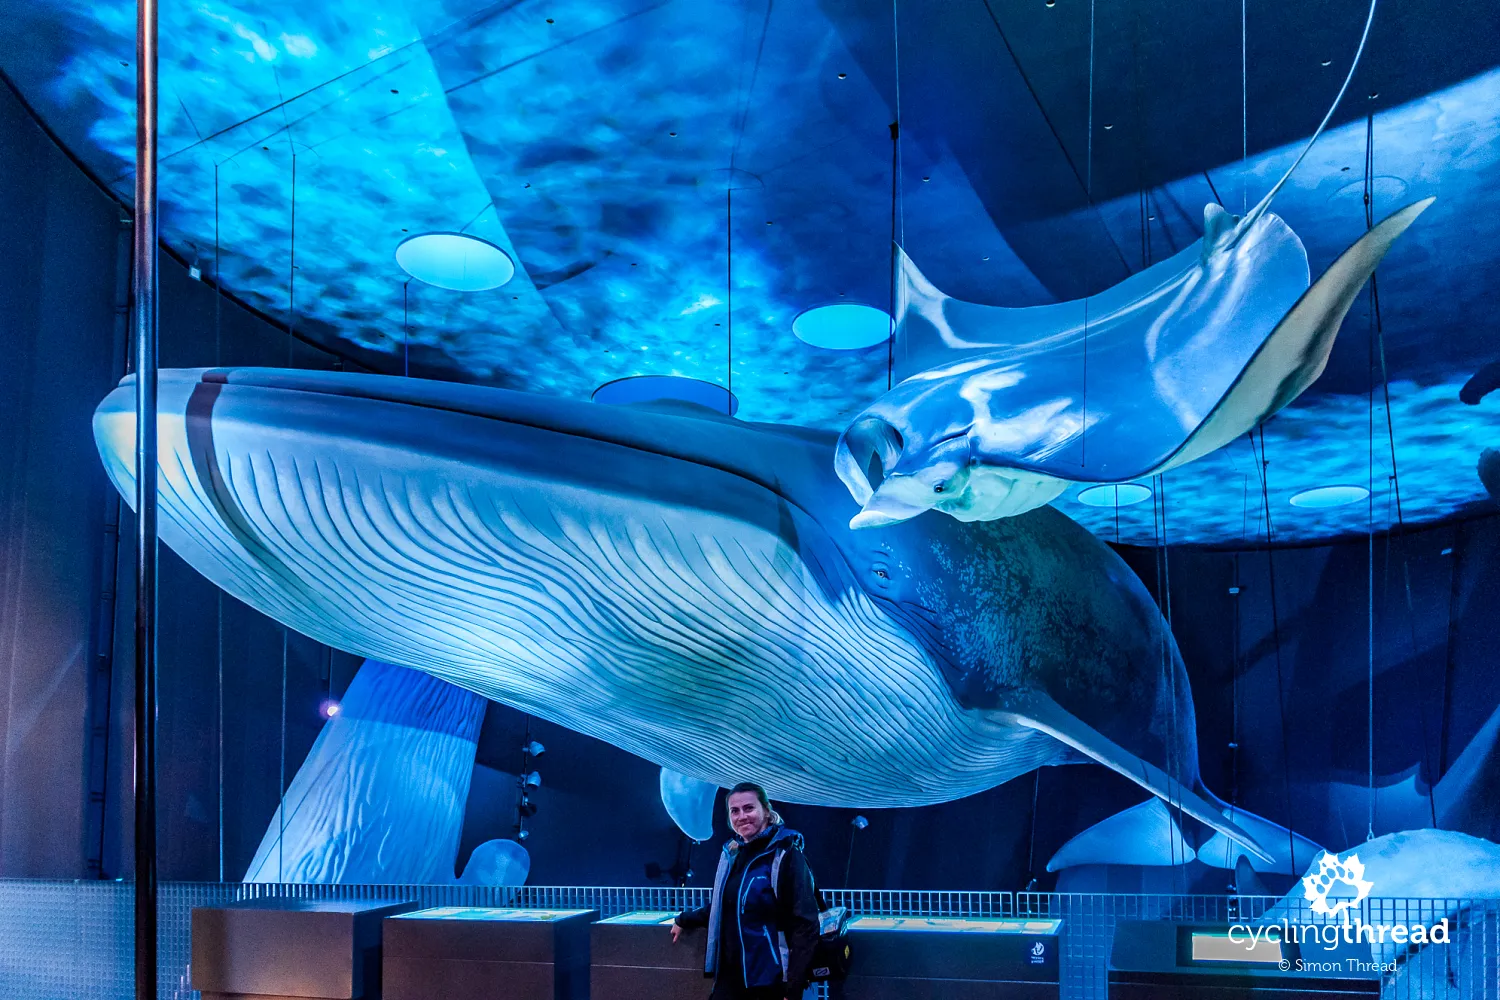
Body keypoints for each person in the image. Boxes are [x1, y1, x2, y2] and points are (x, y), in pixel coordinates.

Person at [671, 782, 821, 1000]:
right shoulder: (733, 853)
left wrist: (793, 986)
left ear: (767, 811)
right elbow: (725, 906)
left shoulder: (786, 854)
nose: (742, 816)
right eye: (735, 811)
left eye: (749, 808)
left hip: (769, 982)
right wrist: (684, 919)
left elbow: (805, 923)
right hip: (730, 978)